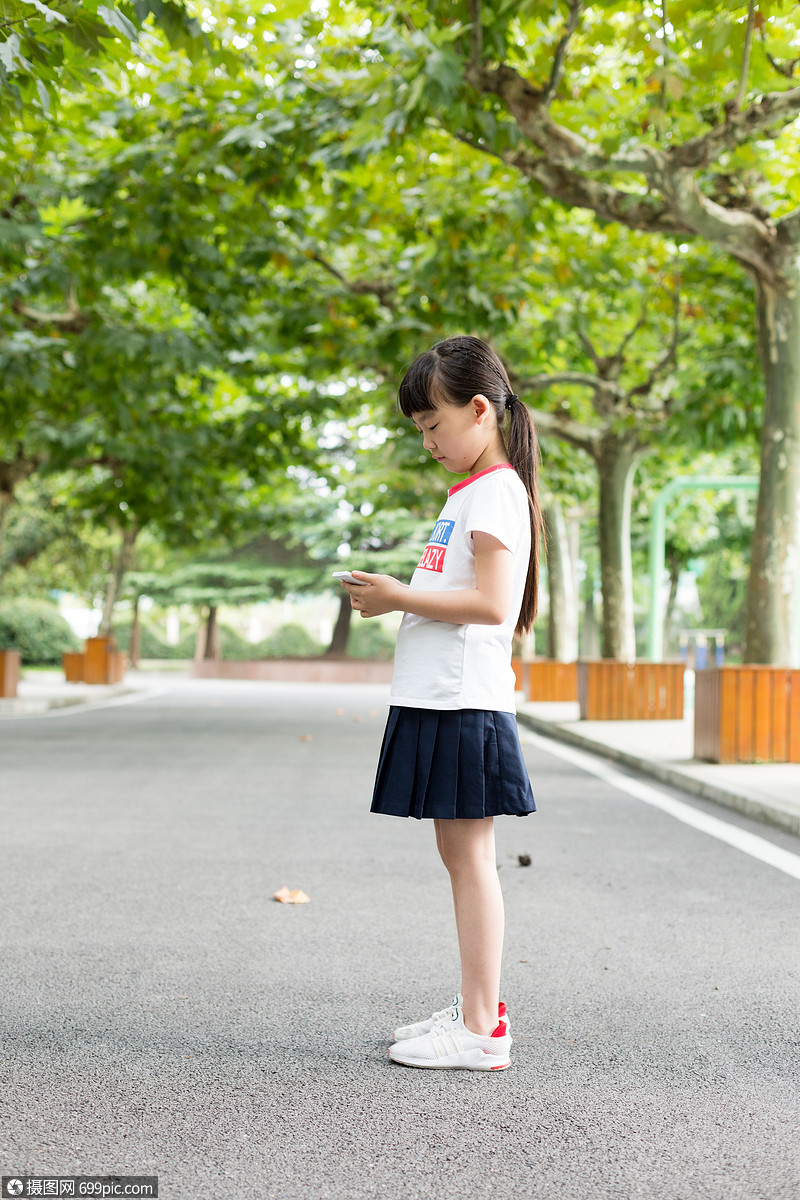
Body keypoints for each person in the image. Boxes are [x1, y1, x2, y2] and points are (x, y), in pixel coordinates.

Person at [339, 334, 544, 1072]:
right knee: (462, 856)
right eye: (420, 429)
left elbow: (493, 603)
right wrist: (400, 596)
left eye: (433, 424)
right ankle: (475, 1013)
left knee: (470, 859)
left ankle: (483, 1028)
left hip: (463, 702)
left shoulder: (495, 490)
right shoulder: (474, 492)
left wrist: (396, 596)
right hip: (444, 699)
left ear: (481, 410)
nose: (427, 440)